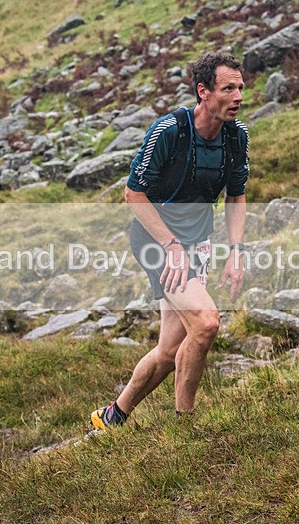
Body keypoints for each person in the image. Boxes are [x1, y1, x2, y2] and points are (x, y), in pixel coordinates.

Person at [90, 51, 249, 429]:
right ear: (203, 92)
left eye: (241, 87)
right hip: (154, 239)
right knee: (207, 323)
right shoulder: (170, 131)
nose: (239, 96)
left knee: (169, 349)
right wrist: (172, 248)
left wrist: (236, 251)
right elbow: (134, 195)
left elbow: (236, 195)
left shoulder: (236, 136)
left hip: (197, 243)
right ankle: (185, 427)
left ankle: (110, 418)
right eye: (229, 88)